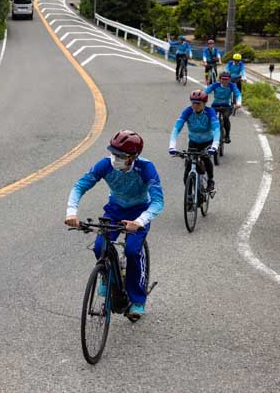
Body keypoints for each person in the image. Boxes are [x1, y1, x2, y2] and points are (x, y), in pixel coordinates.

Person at [65, 130, 164, 320]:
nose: (115, 158)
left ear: (133, 156)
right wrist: (71, 212)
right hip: (115, 210)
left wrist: (139, 221)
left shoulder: (146, 168)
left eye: (121, 156)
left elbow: (158, 202)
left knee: (132, 251)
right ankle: (106, 274)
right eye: (113, 153)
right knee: (99, 247)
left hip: (139, 212)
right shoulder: (105, 165)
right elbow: (80, 186)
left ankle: (137, 300)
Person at [168, 90, 221, 192]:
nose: (195, 106)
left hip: (207, 142)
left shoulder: (210, 112)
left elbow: (216, 130)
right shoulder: (187, 111)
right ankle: (190, 195)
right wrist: (172, 146)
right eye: (193, 103)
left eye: (198, 103)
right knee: (187, 170)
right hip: (193, 142)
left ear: (204, 103)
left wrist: (214, 146)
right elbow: (176, 129)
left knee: (205, 158)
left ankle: (210, 180)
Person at [205, 72, 242, 144]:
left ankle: (227, 135)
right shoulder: (215, 85)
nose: (225, 81)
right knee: (210, 118)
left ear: (229, 80)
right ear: (219, 79)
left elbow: (238, 94)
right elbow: (206, 91)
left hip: (227, 106)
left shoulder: (232, 85)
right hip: (215, 106)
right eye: (223, 79)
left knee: (225, 117)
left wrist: (238, 103)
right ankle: (208, 134)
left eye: (227, 79)